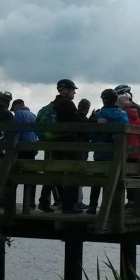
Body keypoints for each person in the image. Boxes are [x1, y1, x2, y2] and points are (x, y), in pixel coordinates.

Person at [86, 88, 129, 214]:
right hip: (116, 154)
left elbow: (91, 135)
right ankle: (111, 208)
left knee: (97, 180)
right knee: (114, 180)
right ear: (115, 100)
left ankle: (92, 206)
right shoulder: (122, 114)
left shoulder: (98, 114)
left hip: (100, 153)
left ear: (103, 100)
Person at [51, 78, 85, 213]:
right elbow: (76, 123)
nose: (74, 93)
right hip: (69, 143)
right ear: (65, 90)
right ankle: (68, 206)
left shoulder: (54, 103)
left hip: (56, 143)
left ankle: (62, 202)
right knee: (73, 172)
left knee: (59, 173)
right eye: (73, 90)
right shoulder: (68, 104)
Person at [11, 97, 40, 211]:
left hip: (22, 148)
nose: (13, 112)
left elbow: (15, 131)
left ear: (16, 106)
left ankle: (10, 202)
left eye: (13, 109)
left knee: (14, 175)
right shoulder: (33, 115)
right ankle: (30, 203)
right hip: (32, 148)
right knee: (30, 176)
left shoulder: (18, 114)